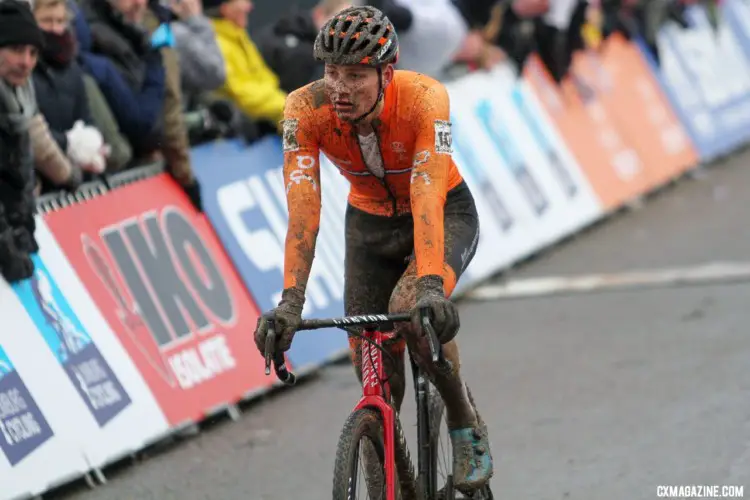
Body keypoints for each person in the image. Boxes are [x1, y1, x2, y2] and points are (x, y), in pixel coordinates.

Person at [253, 5, 492, 494]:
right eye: (332, 73)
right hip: (369, 227)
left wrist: (430, 285)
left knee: (410, 311)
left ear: (386, 73)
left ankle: (465, 422)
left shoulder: (426, 98)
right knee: (374, 364)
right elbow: (303, 211)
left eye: (356, 76)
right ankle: (395, 478)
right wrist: (290, 303)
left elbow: (427, 190)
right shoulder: (303, 109)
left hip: (443, 212)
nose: (340, 88)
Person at [0, 0, 44, 283]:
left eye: (33, 53)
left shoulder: (22, 97)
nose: (26, 62)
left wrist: (24, 223)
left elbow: (23, 165)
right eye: (16, 50)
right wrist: (5, 248)